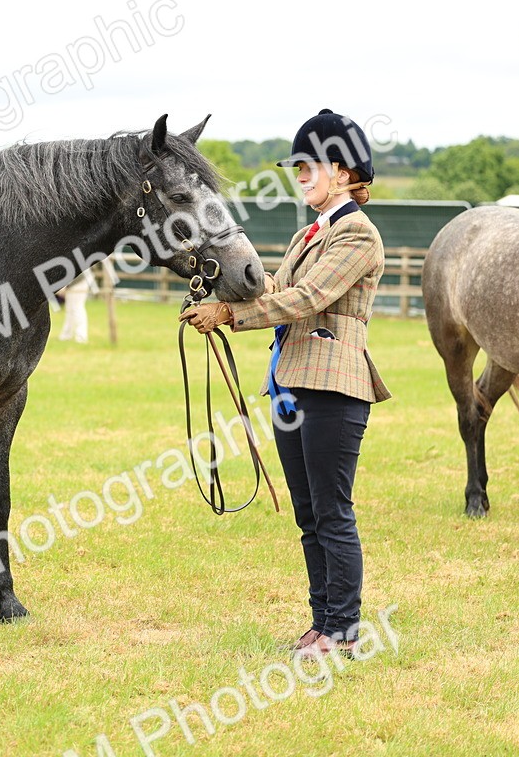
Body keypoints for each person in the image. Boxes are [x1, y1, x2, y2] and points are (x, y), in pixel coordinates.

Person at [179, 109, 391, 659]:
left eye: (308, 166)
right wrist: (221, 282)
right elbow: (279, 286)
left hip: (333, 386)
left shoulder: (358, 234)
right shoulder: (308, 232)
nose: (299, 175)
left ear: (343, 173)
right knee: (307, 513)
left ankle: (343, 628)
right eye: (296, 166)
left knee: (332, 510)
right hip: (289, 384)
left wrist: (230, 314)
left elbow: (308, 299)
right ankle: (322, 622)